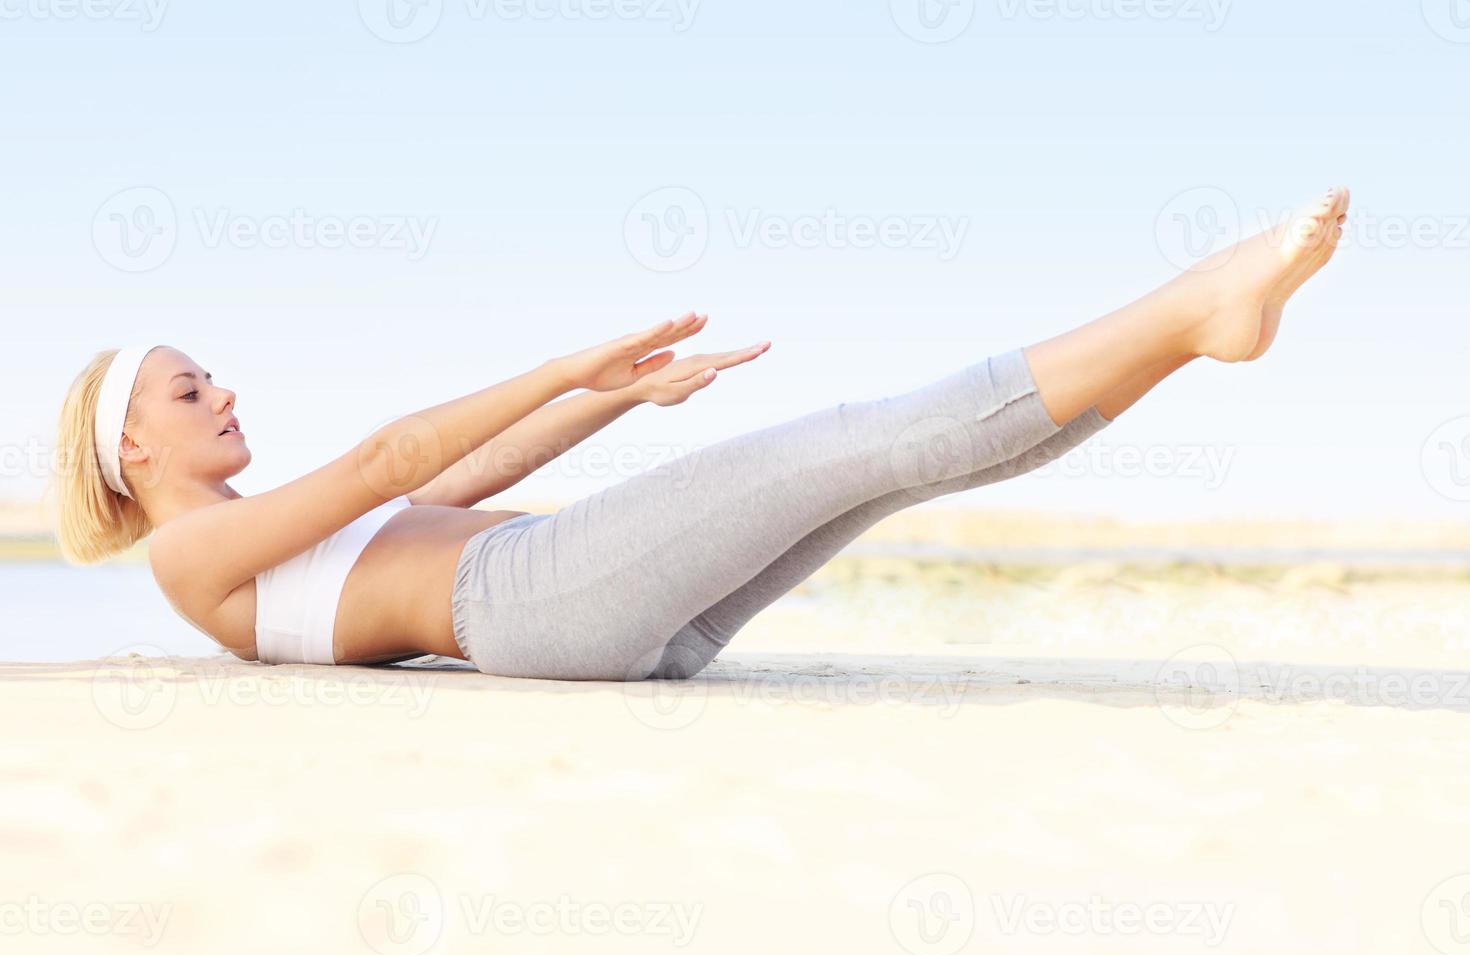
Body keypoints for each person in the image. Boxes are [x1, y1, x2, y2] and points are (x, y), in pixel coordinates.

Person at [50, 187, 1350, 682]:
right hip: (535, 605)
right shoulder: (187, 563)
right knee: (855, 437)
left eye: (207, 374)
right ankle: (1190, 302)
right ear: (133, 457)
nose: (219, 393)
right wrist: (563, 358)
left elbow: (452, 480)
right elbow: (392, 461)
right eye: (185, 390)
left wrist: (616, 393)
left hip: (591, 618)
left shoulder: (244, 551)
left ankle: (1190, 337)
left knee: (879, 471)